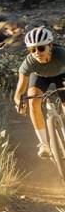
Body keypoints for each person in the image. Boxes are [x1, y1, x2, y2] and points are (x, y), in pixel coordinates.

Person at [13, 27, 65, 158]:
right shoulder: (28, 63)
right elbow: (19, 92)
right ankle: (44, 144)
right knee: (33, 103)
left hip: (62, 75)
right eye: (32, 50)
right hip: (40, 77)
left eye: (41, 48)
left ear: (50, 46)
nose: (37, 52)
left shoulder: (61, 54)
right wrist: (19, 102)